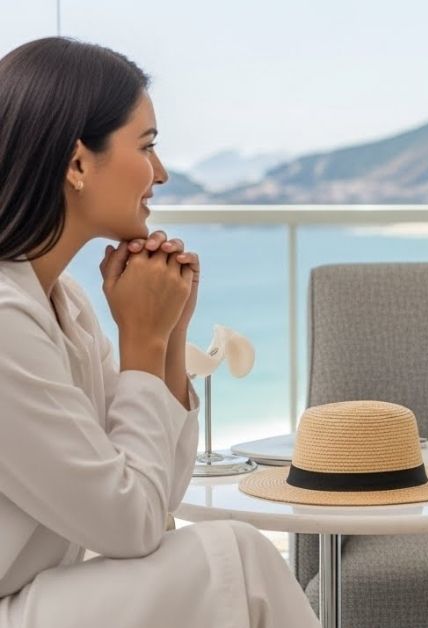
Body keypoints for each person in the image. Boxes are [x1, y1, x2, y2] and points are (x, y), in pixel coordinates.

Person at [0, 37, 319, 627]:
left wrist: (170, 336)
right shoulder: (5, 322)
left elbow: (153, 498)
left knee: (232, 556)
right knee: (237, 557)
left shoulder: (62, 300)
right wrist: (141, 343)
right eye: (146, 147)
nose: (162, 173)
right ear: (77, 163)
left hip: (31, 595)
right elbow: (132, 526)